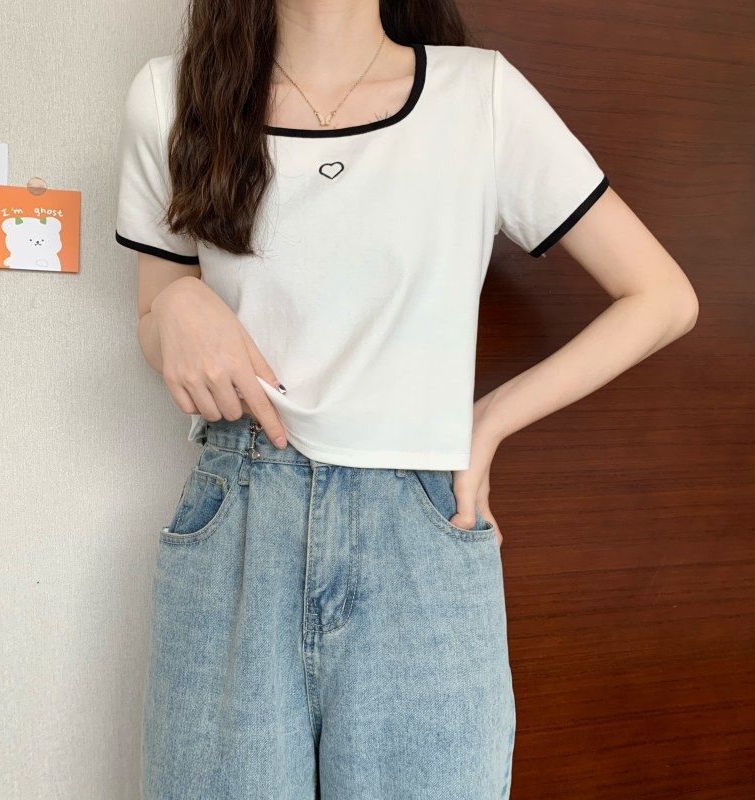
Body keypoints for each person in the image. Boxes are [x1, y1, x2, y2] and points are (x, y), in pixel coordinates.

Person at [114, 1, 698, 798]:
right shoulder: (171, 96)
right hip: (239, 524)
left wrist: (487, 423)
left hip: (420, 534)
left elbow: (662, 297)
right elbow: (156, 321)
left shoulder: (481, 96)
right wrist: (176, 304)